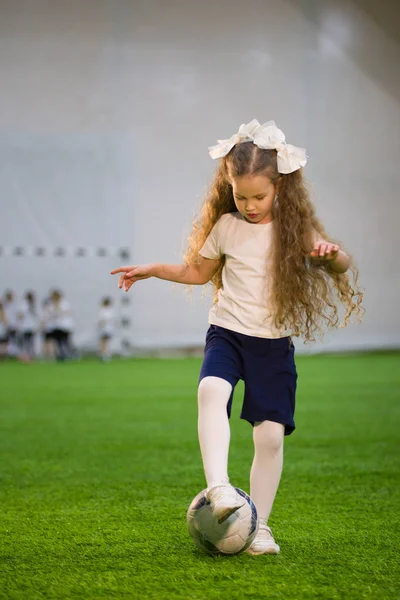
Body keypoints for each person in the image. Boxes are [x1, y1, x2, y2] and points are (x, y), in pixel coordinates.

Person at [110, 119, 363, 556]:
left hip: (272, 344)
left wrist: (330, 255)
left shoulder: (292, 228)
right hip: (227, 333)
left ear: (280, 187)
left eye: (258, 196)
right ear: (229, 188)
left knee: (268, 437)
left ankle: (259, 527)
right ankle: (220, 488)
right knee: (210, 389)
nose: (249, 205)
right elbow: (198, 272)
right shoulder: (226, 226)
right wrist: (152, 269)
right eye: (240, 196)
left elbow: (340, 263)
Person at [48, 290, 74, 361]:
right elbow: (50, 313)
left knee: (65, 341)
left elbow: (67, 313)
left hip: (64, 326)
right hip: (56, 326)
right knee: (58, 342)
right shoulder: (51, 304)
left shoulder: (65, 304)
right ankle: (60, 355)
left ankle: (68, 354)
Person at [17, 291, 39, 362]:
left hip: (30, 327)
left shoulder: (33, 305)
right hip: (25, 327)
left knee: (30, 343)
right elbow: (20, 315)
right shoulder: (25, 304)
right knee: (26, 343)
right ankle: (25, 357)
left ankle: (30, 357)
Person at [3, 290, 19, 358]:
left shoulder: (14, 305)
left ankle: (12, 354)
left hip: (13, 326)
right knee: (6, 341)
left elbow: (16, 316)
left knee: (13, 341)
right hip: (6, 326)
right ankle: (6, 354)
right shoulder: (4, 305)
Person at [98, 297, 114, 361]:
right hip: (109, 328)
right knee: (106, 342)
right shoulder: (111, 311)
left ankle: (104, 355)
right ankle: (106, 354)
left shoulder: (103, 310)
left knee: (103, 342)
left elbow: (102, 321)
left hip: (105, 329)